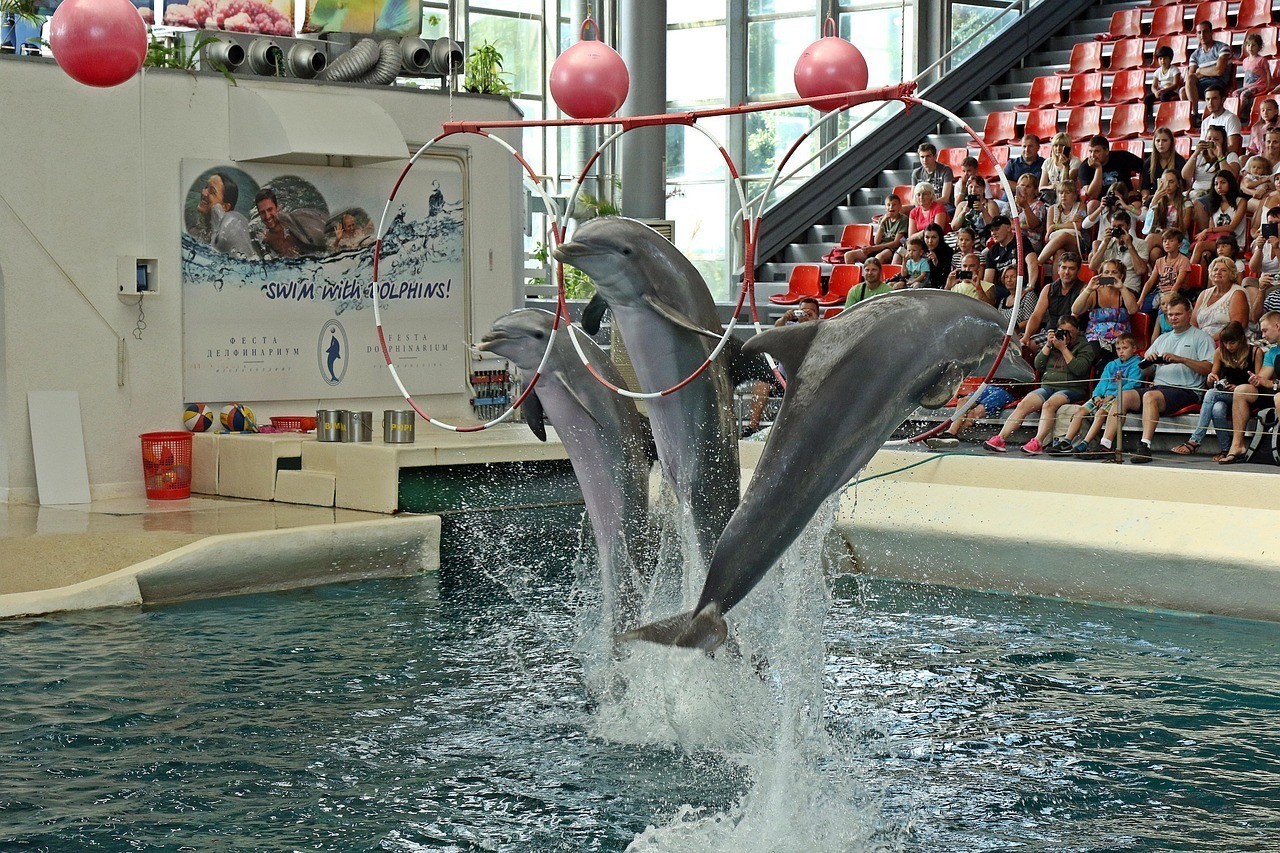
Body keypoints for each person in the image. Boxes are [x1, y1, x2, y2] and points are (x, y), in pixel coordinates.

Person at [985, 314, 1095, 454]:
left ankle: (1038, 442)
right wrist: (1048, 346)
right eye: (1062, 331)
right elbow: (1038, 364)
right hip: (1048, 386)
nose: (1065, 335)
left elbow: (1079, 369)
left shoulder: (1085, 347)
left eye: (1070, 332)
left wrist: (1064, 349)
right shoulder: (1054, 343)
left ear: (1078, 331)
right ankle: (1000, 438)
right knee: (1023, 404)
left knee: (1048, 405)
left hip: (1071, 388)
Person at [1130, 295, 1215, 463]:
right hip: (1159, 387)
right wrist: (1149, 361)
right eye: (1170, 315)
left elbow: (1209, 368)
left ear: (1189, 314)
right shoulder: (1161, 339)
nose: (1173, 318)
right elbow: (1145, 371)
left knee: (1149, 397)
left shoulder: (1202, 338)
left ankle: (1144, 446)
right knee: (1123, 397)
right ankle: (1105, 443)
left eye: (1177, 314)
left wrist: (1182, 359)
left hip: (1187, 390)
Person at [1173, 321, 1260, 459]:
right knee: (1217, 408)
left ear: (1241, 340)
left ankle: (1195, 440)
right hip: (1225, 394)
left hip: (1246, 395)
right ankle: (1226, 449)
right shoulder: (1220, 352)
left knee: (1211, 394)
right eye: (1225, 343)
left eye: (1232, 343)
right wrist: (1211, 378)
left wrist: (1237, 388)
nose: (1228, 347)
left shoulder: (1255, 352)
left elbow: (1259, 382)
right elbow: (1212, 378)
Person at [1047, 333, 1143, 457]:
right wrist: (1097, 396)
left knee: (1100, 413)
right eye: (1118, 349)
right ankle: (1067, 441)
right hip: (1101, 397)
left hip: (1117, 398)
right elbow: (1102, 383)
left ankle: (1085, 443)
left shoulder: (1137, 364)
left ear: (1134, 349)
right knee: (1080, 412)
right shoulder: (1111, 364)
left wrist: (1111, 396)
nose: (1121, 352)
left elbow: (1132, 385)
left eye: (1125, 348)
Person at [1220, 310, 1280, 462]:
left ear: (1278, 326)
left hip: (1278, 394)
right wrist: (1256, 379)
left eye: (1265, 330)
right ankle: (1238, 445)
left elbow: (1270, 383)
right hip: (1273, 393)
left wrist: (1272, 384)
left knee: (1279, 398)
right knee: (1242, 390)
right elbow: (1262, 378)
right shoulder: (1272, 352)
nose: (1263, 336)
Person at [1072, 257, 1137, 360]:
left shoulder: (1126, 293)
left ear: (1121, 275)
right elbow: (1075, 310)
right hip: (1096, 337)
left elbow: (1133, 310)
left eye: (1114, 272)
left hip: (1121, 339)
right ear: (1101, 275)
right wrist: (1088, 289)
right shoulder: (1094, 293)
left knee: (1121, 355)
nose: (1110, 275)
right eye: (1106, 272)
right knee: (1099, 355)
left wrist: (1122, 288)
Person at [1022, 252, 1087, 348]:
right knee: (1026, 345)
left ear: (1078, 271)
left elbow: (1075, 318)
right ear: (1058, 269)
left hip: (1072, 335)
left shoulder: (1083, 289)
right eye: (1064, 267)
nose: (1067, 272)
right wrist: (1026, 336)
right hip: (1050, 331)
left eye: (1071, 268)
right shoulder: (1048, 288)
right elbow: (1036, 315)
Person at [190, 171, 255, 258]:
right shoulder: (195, 230)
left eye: (212, 191)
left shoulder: (229, 232)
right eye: (206, 187)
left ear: (225, 207)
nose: (203, 192)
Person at [1189, 170, 1247, 267]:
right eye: (1216, 184)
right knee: (1205, 255)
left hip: (1234, 241)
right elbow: (1213, 229)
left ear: (1230, 184)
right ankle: (1203, 281)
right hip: (1218, 242)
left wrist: (1207, 230)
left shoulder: (1241, 202)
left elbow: (1231, 227)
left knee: (1200, 246)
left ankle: (1188, 275)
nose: (1219, 187)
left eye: (1223, 183)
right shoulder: (1214, 204)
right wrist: (1207, 233)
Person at [254, 188, 328, 258]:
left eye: (270, 209)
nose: (267, 216)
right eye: (262, 212)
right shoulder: (265, 238)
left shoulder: (291, 228)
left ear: (277, 207)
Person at [1192, 256, 1249, 342]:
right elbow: (1193, 323)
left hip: (1226, 341)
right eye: (1215, 270)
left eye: (1223, 270)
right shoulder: (1204, 294)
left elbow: (1237, 326)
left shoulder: (1237, 293)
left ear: (1231, 274)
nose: (1218, 272)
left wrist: (1209, 340)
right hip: (1201, 341)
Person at [1139, 228, 1193, 315]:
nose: (1167, 243)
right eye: (1164, 241)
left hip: (1177, 293)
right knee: (1140, 308)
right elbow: (1150, 282)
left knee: (1164, 311)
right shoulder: (1159, 261)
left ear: (1179, 244)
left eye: (1171, 241)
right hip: (1160, 292)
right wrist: (1141, 298)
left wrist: (1168, 299)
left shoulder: (1184, 260)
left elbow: (1178, 283)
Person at [1183, 21, 1235, 111]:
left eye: (1205, 31)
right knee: (1183, 91)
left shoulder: (1222, 48)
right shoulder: (1195, 55)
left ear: (1211, 32)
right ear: (1196, 35)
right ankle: (1192, 116)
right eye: (1199, 32)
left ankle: (1195, 115)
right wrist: (1209, 71)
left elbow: (1219, 71)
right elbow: (1191, 76)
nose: (1202, 35)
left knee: (1190, 83)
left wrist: (1200, 71)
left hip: (1218, 84)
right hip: (1202, 85)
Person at [1077, 135, 1143, 205]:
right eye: (1090, 151)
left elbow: (1145, 167)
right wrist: (1098, 168)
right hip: (1102, 201)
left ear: (1107, 151)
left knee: (1136, 203)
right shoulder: (1085, 166)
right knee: (1092, 205)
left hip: (1125, 197)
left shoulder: (1122, 157)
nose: (1092, 155)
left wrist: (1141, 190)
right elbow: (1093, 195)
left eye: (1097, 151)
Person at [844, 193, 908, 264]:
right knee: (849, 255)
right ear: (885, 207)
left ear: (900, 206)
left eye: (894, 205)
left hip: (892, 249)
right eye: (888, 205)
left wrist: (873, 248)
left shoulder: (903, 219)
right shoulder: (882, 219)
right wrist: (882, 224)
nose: (891, 207)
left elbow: (896, 243)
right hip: (878, 247)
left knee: (878, 258)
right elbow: (876, 242)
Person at [1037, 179, 1085, 270]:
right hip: (1055, 242)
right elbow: (1049, 232)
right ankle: (1056, 284)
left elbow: (1077, 227)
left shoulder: (1081, 206)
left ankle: (1037, 263)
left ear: (1074, 195)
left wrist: (1055, 226)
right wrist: (1069, 223)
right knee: (1059, 253)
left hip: (1075, 241)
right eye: (1061, 193)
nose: (1063, 196)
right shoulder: (1052, 209)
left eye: (1067, 192)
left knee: (1065, 236)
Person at [1182, 125, 1240, 197]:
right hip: (1195, 191)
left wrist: (1220, 157)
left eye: (1216, 139)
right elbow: (1185, 176)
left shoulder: (1230, 155)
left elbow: (1231, 178)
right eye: (1209, 138)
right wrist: (1195, 153)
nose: (1212, 141)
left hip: (1215, 193)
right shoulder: (1200, 156)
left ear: (1223, 141)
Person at [1142, 168, 1192, 246]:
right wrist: (1154, 201)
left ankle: (1136, 258)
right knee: (1155, 253)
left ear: (1178, 183)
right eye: (1164, 182)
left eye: (1171, 182)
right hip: (1162, 238)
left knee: (1151, 238)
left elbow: (1181, 230)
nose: (1167, 185)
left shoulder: (1186, 203)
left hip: (1179, 241)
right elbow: (1149, 227)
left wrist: (1160, 231)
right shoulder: (1158, 202)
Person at [1140, 128, 1187, 205]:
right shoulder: (1149, 162)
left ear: (1171, 142)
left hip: (1174, 197)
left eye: (1164, 140)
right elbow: (1145, 186)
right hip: (1155, 196)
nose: (1161, 144)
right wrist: (1145, 196)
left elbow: (1183, 185)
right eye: (1158, 141)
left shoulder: (1179, 161)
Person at [1198, 84, 1244, 155]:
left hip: (1225, 159)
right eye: (1208, 99)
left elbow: (1233, 147)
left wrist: (1216, 154)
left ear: (1223, 100)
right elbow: (1202, 145)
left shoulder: (1231, 118)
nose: (1210, 103)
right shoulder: (1205, 122)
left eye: (1214, 99)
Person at [951, 173, 999, 240]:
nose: (973, 190)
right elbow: (954, 227)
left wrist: (983, 210)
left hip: (983, 238)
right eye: (971, 187)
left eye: (977, 187)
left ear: (983, 188)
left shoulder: (991, 204)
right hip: (963, 239)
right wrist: (963, 212)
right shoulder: (962, 205)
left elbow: (995, 227)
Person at [1239, 32, 1272, 128]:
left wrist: (1268, 87)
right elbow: (1247, 75)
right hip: (1248, 86)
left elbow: (1267, 73)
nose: (1250, 47)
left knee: (1244, 94)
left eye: (1253, 45)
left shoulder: (1262, 60)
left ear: (1259, 47)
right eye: (1248, 45)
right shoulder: (1245, 61)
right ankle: (1244, 114)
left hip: (1259, 85)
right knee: (1235, 93)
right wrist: (1244, 86)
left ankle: (1239, 113)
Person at [1145, 45, 1183, 126]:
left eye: (1165, 58)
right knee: (1148, 98)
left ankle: (1165, 115)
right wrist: (1155, 92)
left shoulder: (1174, 70)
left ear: (1170, 59)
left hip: (1171, 92)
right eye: (1160, 59)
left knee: (1164, 96)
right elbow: (1153, 86)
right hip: (1161, 91)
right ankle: (1146, 117)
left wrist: (1164, 90)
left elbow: (1175, 85)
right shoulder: (1157, 72)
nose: (1163, 61)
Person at [912, 142, 954, 209]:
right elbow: (913, 199)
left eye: (928, 156)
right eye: (922, 157)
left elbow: (945, 199)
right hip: (922, 206)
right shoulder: (916, 173)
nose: (925, 160)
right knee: (900, 210)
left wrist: (927, 205)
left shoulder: (946, 170)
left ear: (935, 156)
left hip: (941, 205)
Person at [1039, 132, 1079, 199]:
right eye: (1055, 145)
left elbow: (1065, 186)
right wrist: (1051, 186)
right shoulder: (1048, 162)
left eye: (1062, 145)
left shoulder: (1075, 162)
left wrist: (1066, 166)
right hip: (1051, 197)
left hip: (1068, 197)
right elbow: (1041, 187)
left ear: (1067, 147)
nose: (1058, 148)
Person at [921, 223, 955, 289]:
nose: (930, 241)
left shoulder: (947, 251)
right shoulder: (920, 249)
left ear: (940, 237)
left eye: (934, 237)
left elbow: (944, 278)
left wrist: (936, 263)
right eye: (927, 237)